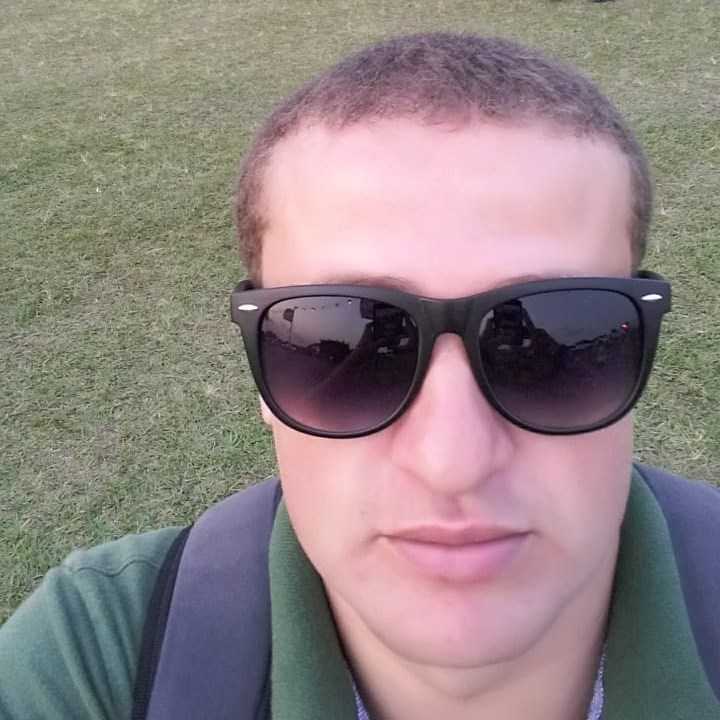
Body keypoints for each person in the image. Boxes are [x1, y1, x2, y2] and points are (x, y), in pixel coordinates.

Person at [1, 32, 718, 720]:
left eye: (556, 343)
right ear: (261, 377)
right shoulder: (97, 655)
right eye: (351, 344)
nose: (452, 462)